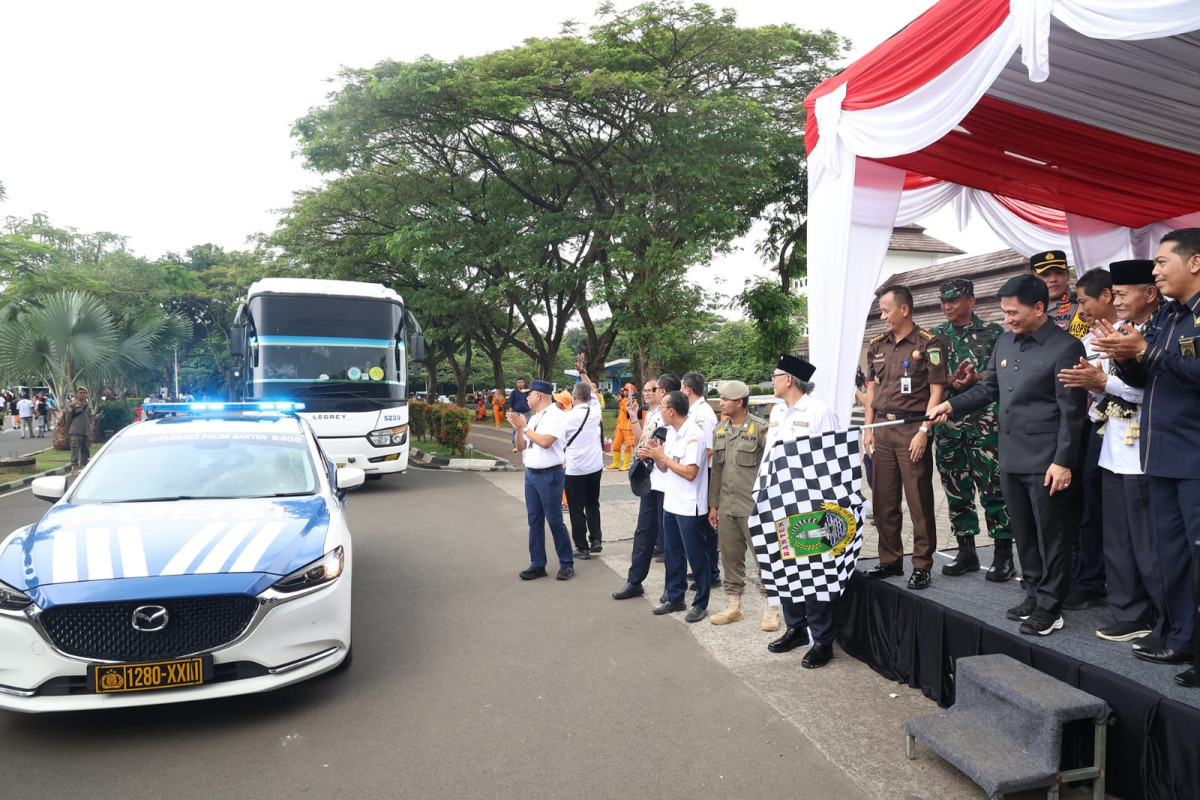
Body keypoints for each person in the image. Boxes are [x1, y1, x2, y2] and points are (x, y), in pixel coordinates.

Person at [930, 274, 1087, 636]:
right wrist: (950, 406)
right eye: (1003, 313)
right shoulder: (1004, 342)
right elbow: (988, 389)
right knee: (1024, 533)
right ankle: (1032, 591)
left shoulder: (1066, 347)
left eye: (1013, 313)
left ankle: (1051, 606)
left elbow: (1072, 412)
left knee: (1052, 536)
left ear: (1038, 307)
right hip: (1010, 456)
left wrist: (1063, 461)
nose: (1008, 320)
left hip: (1047, 460)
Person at [1094, 229, 1200, 687]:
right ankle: (1180, 638)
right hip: (1158, 455)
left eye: (1161, 262)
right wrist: (1124, 355)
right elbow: (1144, 378)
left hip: (1194, 458)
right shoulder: (1168, 317)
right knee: (1172, 556)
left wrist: (1145, 350)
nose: (1155, 271)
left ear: (1194, 263)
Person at [1058, 259, 1165, 645]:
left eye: (1121, 295)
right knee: (1116, 538)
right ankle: (1128, 612)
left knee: (1147, 542)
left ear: (1148, 294)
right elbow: (1108, 386)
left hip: (1145, 450)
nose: (1116, 302)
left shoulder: (1160, 332)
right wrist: (1096, 382)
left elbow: (1154, 391)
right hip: (1113, 446)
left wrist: (1105, 382)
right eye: (1115, 295)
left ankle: (1163, 617)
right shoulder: (1116, 330)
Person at [862, 284, 948, 590]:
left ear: (904, 310)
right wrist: (869, 429)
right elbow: (872, 388)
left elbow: (937, 390)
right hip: (883, 430)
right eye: (881, 311)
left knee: (919, 500)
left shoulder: (928, 343)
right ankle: (889, 559)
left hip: (913, 428)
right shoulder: (877, 346)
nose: (882, 316)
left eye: (886, 310)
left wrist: (926, 430)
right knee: (883, 500)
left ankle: (923, 564)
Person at [930, 278, 1014, 579]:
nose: (947, 306)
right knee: (955, 489)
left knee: (994, 488)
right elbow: (934, 379)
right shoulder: (936, 336)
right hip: (949, 425)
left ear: (972, 301)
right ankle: (965, 550)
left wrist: (977, 379)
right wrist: (952, 381)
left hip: (985, 423)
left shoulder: (994, 333)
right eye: (944, 301)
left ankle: (1003, 553)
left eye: (954, 299)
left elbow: (1003, 376)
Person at [761, 354, 841, 668]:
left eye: (775, 375)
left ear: (790, 380)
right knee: (788, 568)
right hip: (779, 500)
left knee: (814, 571)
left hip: (810, 504)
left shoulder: (820, 412)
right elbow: (770, 455)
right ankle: (796, 626)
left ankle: (822, 641)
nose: (773, 379)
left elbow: (833, 457)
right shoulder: (778, 412)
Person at [1061, 268, 1116, 611]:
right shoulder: (1085, 339)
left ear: (1106, 297)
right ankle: (1090, 579)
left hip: (1130, 432)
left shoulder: (1138, 333)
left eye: (1083, 301)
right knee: (1091, 508)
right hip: (1093, 431)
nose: (1080, 310)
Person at [642, 390, 711, 623]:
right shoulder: (670, 432)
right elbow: (665, 468)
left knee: (696, 555)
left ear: (671, 410)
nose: (660, 411)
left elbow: (691, 473)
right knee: (672, 553)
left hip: (690, 505)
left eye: (662, 407)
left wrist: (664, 458)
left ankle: (701, 602)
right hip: (671, 502)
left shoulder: (694, 434)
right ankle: (675, 596)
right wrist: (655, 455)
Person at [613, 373, 681, 601]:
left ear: (663, 391)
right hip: (651, 481)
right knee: (643, 532)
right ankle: (635, 581)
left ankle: (671, 588)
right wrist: (634, 419)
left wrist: (654, 452)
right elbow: (644, 440)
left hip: (668, 483)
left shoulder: (676, 414)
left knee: (669, 539)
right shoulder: (653, 413)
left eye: (654, 389)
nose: (648, 393)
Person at [706, 380, 768, 626]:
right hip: (728, 506)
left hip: (754, 507)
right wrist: (714, 506)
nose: (720, 403)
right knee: (730, 557)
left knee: (764, 557)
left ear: (739, 402)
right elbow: (717, 472)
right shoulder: (720, 429)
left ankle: (771, 606)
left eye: (725, 399)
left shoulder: (760, 430)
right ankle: (734, 606)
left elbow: (769, 470)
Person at [511, 380, 575, 582]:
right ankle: (538, 563)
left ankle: (566, 563)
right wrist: (519, 429)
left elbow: (546, 443)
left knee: (554, 519)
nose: (526, 398)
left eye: (528, 394)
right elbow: (521, 446)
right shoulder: (535, 418)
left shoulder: (556, 415)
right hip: (531, 474)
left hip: (550, 474)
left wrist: (525, 428)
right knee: (534, 520)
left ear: (538, 395)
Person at [681, 371, 720, 588]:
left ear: (687, 389)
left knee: (707, 525)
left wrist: (690, 469)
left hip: (705, 474)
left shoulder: (703, 414)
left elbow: (708, 450)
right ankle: (702, 568)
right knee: (699, 524)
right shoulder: (693, 411)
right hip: (698, 474)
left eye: (681, 386)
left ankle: (711, 572)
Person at [562, 378, 604, 559]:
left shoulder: (567, 417)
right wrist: (582, 372)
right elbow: (593, 393)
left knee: (576, 508)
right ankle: (596, 539)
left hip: (575, 468)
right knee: (593, 503)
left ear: (573, 396)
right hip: (595, 466)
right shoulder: (595, 411)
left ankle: (582, 547)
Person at [1032, 250, 1090, 339]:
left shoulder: (1083, 303)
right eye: (1045, 275)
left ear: (1067, 275)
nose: (1053, 279)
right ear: (1035, 279)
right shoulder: (1028, 309)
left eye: (1059, 273)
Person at [606, 383, 636, 470]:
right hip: (620, 427)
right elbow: (621, 415)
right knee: (616, 445)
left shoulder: (632, 401)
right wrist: (617, 426)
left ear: (631, 391)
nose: (624, 392)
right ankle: (616, 463)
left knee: (628, 446)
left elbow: (626, 410)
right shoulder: (623, 400)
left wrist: (620, 402)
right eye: (624, 390)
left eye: (626, 390)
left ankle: (626, 464)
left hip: (628, 427)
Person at [66, 387, 93, 471]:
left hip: (86, 432)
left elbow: (89, 418)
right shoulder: (72, 405)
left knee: (86, 450)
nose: (82, 394)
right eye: (80, 392)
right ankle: (74, 467)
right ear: (77, 394)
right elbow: (68, 419)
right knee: (75, 450)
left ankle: (84, 466)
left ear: (87, 394)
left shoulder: (88, 406)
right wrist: (71, 428)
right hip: (76, 431)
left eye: (84, 393)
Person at [508, 379, 530, 451]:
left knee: (526, 429)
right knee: (515, 429)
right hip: (517, 412)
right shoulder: (514, 392)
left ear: (524, 383)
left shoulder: (527, 392)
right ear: (516, 384)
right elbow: (511, 405)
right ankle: (515, 446)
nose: (520, 384)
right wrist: (511, 414)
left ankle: (526, 445)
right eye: (518, 382)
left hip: (526, 413)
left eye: (521, 382)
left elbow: (530, 403)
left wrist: (532, 413)